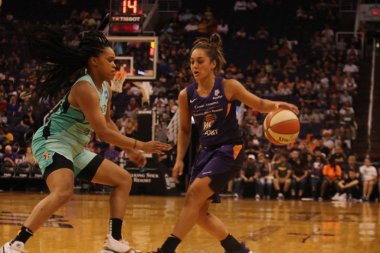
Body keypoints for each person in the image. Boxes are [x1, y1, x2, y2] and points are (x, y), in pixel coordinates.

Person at [0, 30, 171, 253]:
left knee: (123, 180)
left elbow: (108, 123)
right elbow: (102, 133)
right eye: (110, 60)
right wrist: (139, 145)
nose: (114, 65)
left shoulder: (106, 88)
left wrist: (129, 152)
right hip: (52, 141)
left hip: (75, 148)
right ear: (93, 62)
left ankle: (114, 242)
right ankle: (14, 245)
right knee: (63, 190)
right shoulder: (84, 88)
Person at [149, 33, 298, 253]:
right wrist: (179, 159)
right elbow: (184, 129)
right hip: (205, 153)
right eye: (192, 62)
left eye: (200, 61)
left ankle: (166, 250)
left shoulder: (228, 86)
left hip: (229, 150)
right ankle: (236, 249)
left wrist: (279, 105)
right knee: (199, 213)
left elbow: (258, 103)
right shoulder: (186, 95)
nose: (194, 66)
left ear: (213, 64)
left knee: (192, 196)